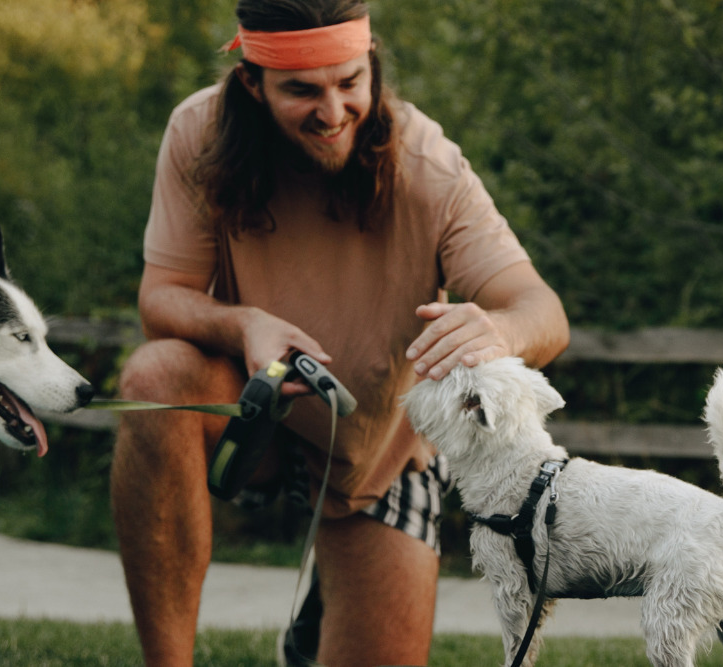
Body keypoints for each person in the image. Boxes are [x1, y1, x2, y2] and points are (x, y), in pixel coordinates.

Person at [110, 1, 570, 665]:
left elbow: (543, 311)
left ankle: (323, 613)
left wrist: (497, 326)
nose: (332, 112)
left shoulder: (427, 163)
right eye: (302, 89)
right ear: (252, 84)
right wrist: (244, 322)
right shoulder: (198, 132)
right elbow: (161, 300)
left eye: (350, 82)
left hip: (381, 452)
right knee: (154, 374)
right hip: (255, 408)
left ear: (371, 62)